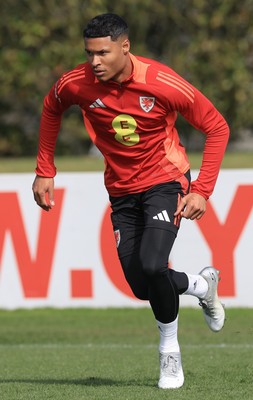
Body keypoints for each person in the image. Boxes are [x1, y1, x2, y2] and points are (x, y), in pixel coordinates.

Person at [32, 13, 229, 389]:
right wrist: (45, 170)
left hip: (165, 182)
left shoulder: (161, 82)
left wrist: (202, 189)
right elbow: (51, 108)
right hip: (121, 191)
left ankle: (169, 353)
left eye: (103, 53)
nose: (95, 63)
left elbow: (217, 126)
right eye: (89, 54)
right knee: (142, 286)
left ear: (125, 47)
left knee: (154, 265)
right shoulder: (76, 82)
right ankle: (201, 287)